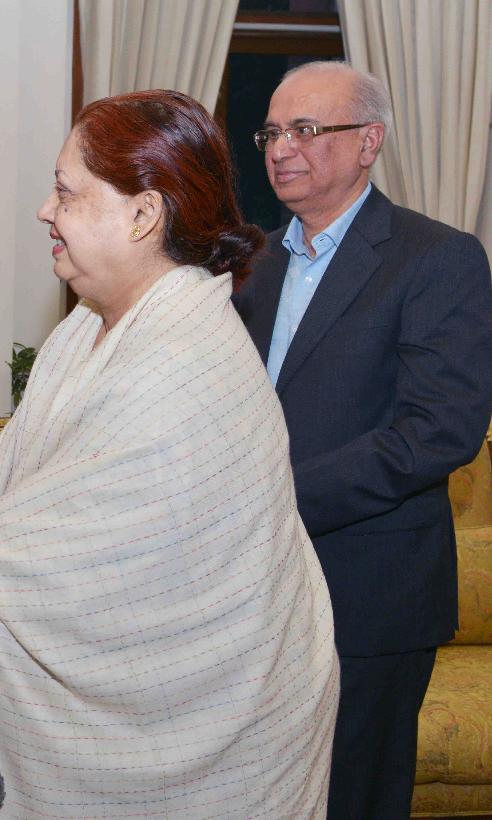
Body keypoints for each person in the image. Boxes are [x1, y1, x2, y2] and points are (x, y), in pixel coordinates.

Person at [0, 90, 339, 817]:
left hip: (210, 726)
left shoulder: (183, 362)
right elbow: (22, 472)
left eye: (66, 193)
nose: (45, 211)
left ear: (143, 215)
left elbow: (82, 561)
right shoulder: (92, 323)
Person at [233, 61, 492, 818]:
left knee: (355, 797)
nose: (282, 148)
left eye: (306, 129)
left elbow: (439, 430)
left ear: (368, 141)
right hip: (249, 589)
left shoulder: (436, 257)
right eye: (272, 132)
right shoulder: (251, 266)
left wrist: (276, 497)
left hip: (370, 591)